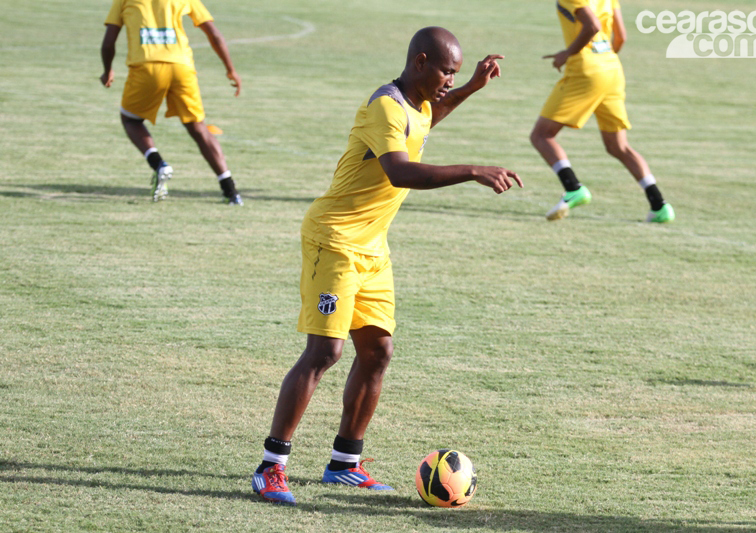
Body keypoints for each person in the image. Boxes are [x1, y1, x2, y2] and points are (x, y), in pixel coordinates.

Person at [251, 27, 522, 506]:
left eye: (454, 73)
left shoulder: (416, 104)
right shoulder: (385, 106)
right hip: (333, 240)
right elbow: (401, 170)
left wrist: (470, 89)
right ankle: (271, 467)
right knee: (325, 353)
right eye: (445, 71)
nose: (448, 80)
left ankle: (344, 464)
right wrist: (473, 170)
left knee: (377, 353)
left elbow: (428, 119)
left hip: (373, 248)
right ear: (420, 61)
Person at [530, 0, 675, 222]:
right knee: (618, 146)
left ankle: (573, 188)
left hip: (586, 71)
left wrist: (567, 53)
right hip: (612, 68)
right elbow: (621, 36)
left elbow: (593, 25)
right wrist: (604, 60)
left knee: (541, 135)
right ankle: (659, 206)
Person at [100, 0, 243, 205]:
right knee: (198, 127)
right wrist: (231, 69)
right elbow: (214, 34)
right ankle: (231, 190)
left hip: (146, 68)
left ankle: (159, 165)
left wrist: (107, 70)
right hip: (181, 67)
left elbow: (108, 42)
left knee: (131, 120)